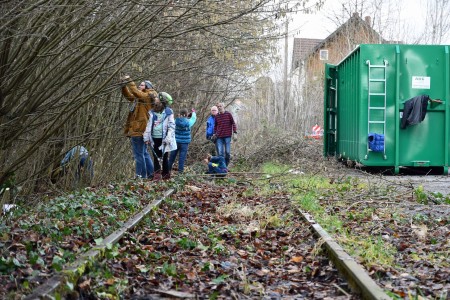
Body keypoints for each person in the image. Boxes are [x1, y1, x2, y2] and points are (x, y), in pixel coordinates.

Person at [121, 76, 157, 179]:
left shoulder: (147, 96)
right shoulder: (143, 96)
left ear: (147, 87)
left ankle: (140, 176)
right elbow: (130, 96)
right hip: (141, 129)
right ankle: (150, 175)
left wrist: (129, 81)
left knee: (138, 155)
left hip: (139, 129)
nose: (139, 86)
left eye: (141, 85)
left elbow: (136, 93)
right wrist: (124, 86)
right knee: (144, 153)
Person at [143, 92, 176, 180]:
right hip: (154, 137)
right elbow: (148, 125)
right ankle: (157, 176)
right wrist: (146, 137)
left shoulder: (169, 112)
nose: (155, 99)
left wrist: (168, 137)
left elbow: (172, 126)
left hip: (164, 138)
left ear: (162, 101)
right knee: (156, 157)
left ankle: (166, 175)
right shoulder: (152, 111)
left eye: (157, 98)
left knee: (164, 157)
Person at [168, 108, 197, 174]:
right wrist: (193, 112)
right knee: (182, 158)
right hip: (184, 143)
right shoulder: (189, 122)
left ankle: (167, 171)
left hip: (176, 141)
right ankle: (180, 173)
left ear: (180, 114)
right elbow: (193, 118)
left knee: (172, 157)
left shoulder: (175, 121)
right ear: (186, 114)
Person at [212, 102, 237, 167]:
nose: (219, 107)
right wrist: (214, 133)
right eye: (218, 106)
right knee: (220, 153)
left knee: (228, 153)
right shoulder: (217, 116)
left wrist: (235, 132)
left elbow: (233, 123)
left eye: (220, 106)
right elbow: (215, 126)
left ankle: (225, 165)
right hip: (219, 136)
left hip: (227, 136)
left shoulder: (228, 114)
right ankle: (223, 167)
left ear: (223, 106)